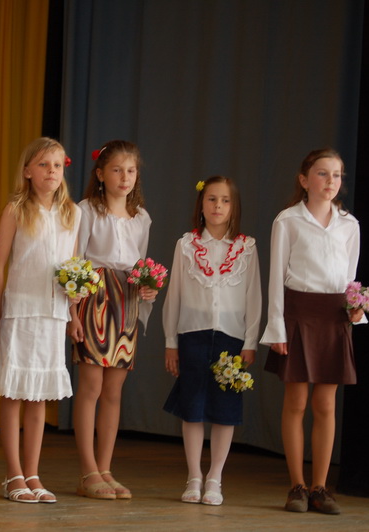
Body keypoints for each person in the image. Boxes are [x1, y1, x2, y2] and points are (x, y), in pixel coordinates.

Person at [260, 149, 363, 515]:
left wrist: (356, 309)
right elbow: (276, 278)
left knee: (326, 405)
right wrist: (277, 327)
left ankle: (320, 487)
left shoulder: (349, 225)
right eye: (322, 173)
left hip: (334, 319)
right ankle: (297, 486)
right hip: (298, 315)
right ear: (304, 180)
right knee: (297, 402)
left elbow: (350, 279)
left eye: (336, 175)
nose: (330, 181)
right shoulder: (288, 220)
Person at [0, 137, 81, 504]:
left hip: (54, 314)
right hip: (21, 311)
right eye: (43, 164)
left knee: (39, 394)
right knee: (14, 392)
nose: (51, 172)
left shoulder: (72, 214)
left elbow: (74, 269)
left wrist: (73, 313)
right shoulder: (16, 209)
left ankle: (33, 473)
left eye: (57, 165)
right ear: (27, 171)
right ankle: (13, 474)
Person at [162, 176, 261, 506]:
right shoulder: (186, 245)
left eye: (225, 200)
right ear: (201, 204)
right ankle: (194, 475)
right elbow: (174, 295)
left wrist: (250, 341)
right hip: (192, 334)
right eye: (212, 199)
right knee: (192, 408)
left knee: (224, 410)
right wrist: (171, 340)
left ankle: (215, 477)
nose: (218, 206)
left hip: (231, 338)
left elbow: (254, 297)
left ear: (234, 207)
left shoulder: (246, 248)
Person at [67, 141, 156, 500]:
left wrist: (147, 286)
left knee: (113, 391)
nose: (125, 177)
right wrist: (72, 312)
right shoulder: (86, 210)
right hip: (94, 296)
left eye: (131, 170)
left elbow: (141, 263)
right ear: (101, 174)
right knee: (90, 387)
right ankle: (87, 470)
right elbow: (75, 261)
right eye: (117, 170)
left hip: (127, 299)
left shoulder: (142, 218)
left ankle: (105, 468)